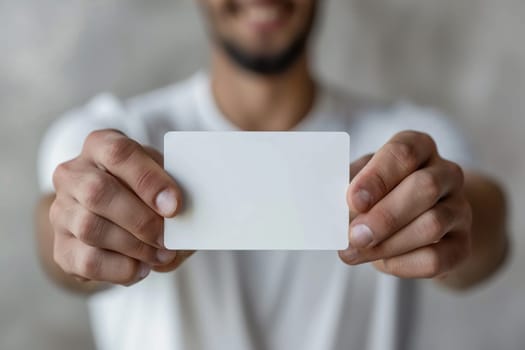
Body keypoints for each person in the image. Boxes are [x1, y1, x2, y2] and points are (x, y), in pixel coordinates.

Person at [35, 1, 508, 349]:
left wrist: (460, 223)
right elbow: (51, 224)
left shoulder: (405, 139)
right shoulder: (115, 133)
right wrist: (74, 229)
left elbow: (486, 220)